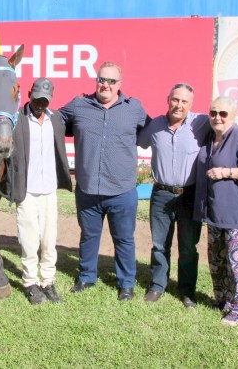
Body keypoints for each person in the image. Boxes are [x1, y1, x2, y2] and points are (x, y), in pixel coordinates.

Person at [60, 62, 148, 302]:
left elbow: (154, 131)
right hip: (88, 189)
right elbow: (53, 120)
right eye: (101, 79)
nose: (105, 85)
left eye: (111, 81)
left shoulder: (134, 108)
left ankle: (126, 284)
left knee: (124, 239)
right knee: (89, 236)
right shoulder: (79, 105)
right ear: (96, 80)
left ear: (119, 84)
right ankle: (87, 277)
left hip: (122, 190)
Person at [193, 96, 238, 326]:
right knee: (217, 261)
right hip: (215, 213)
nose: (217, 117)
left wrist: (226, 172)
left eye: (223, 113)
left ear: (233, 115)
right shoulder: (209, 136)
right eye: (213, 112)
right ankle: (223, 301)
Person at [137, 83, 206, 308]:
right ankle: (158, 285)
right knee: (159, 244)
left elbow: (226, 127)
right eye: (175, 99)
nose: (179, 105)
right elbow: (136, 140)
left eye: (184, 101)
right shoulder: (155, 125)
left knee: (188, 247)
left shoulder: (201, 123)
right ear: (168, 99)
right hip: (161, 194)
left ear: (191, 104)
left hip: (189, 195)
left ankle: (187, 291)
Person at [11, 78, 73, 304]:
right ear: (29, 94)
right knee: (29, 241)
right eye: (37, 99)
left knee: (49, 240)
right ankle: (30, 282)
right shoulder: (16, 118)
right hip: (26, 191)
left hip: (49, 191)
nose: (40, 104)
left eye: (45, 101)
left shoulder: (55, 119)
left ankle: (48, 281)